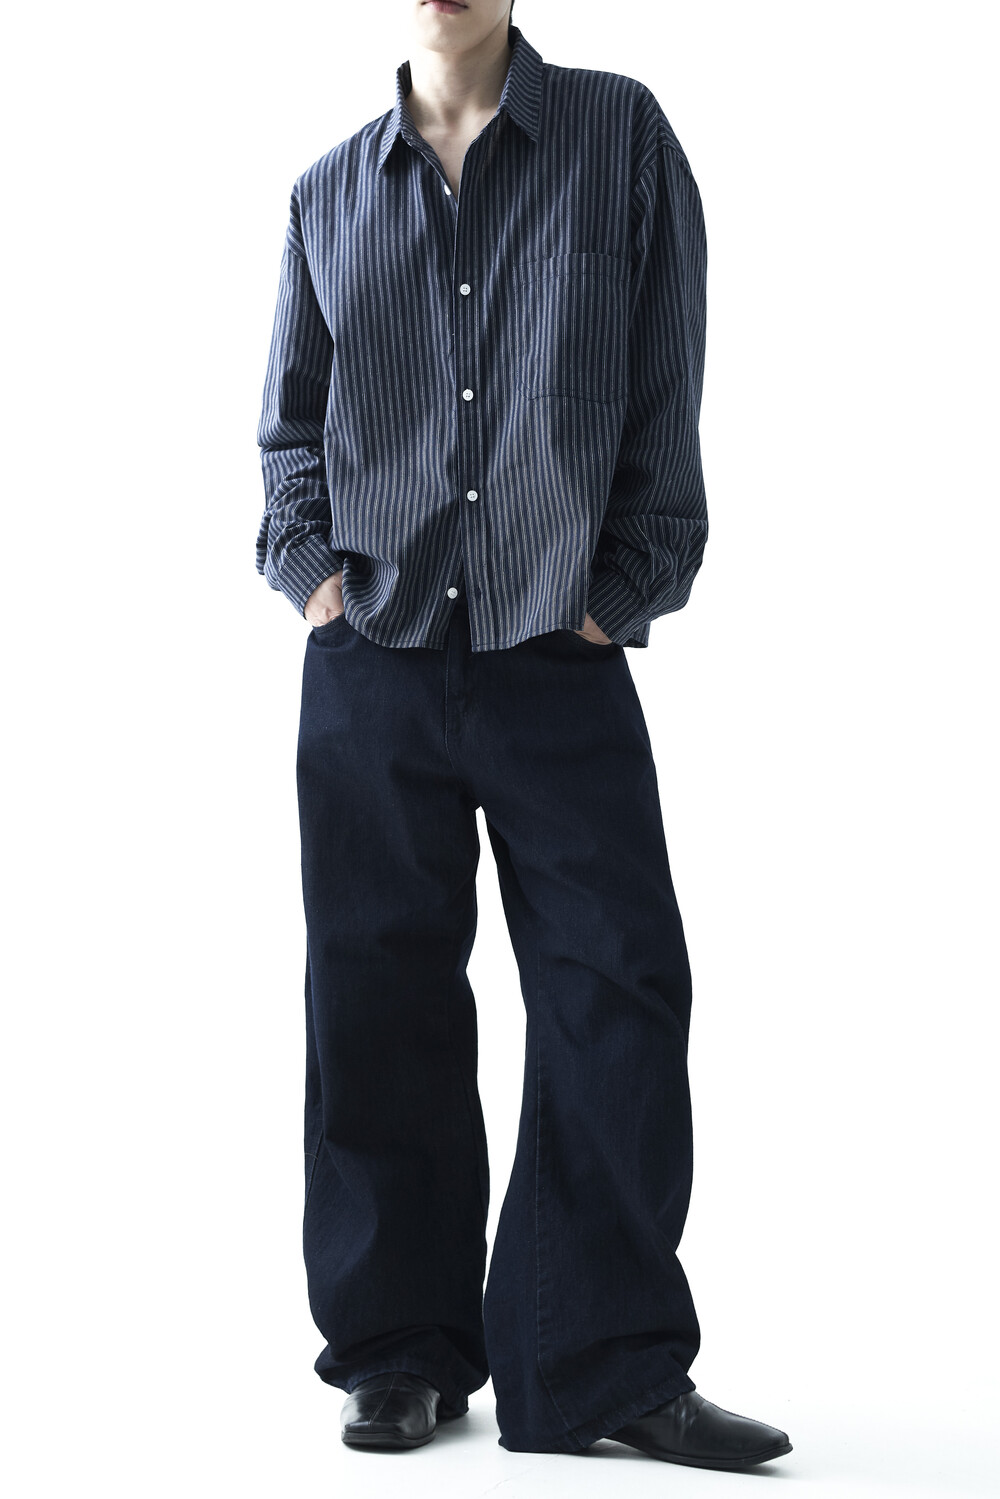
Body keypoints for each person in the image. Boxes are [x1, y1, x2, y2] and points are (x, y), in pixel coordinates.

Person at [255, 0, 792, 1470]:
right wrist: (319, 589)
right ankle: (401, 1350)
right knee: (375, 1002)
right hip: (374, 660)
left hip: (560, 651)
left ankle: (597, 1364)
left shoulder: (621, 134)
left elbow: (668, 380)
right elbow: (289, 437)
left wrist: (624, 591)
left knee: (617, 986)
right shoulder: (324, 192)